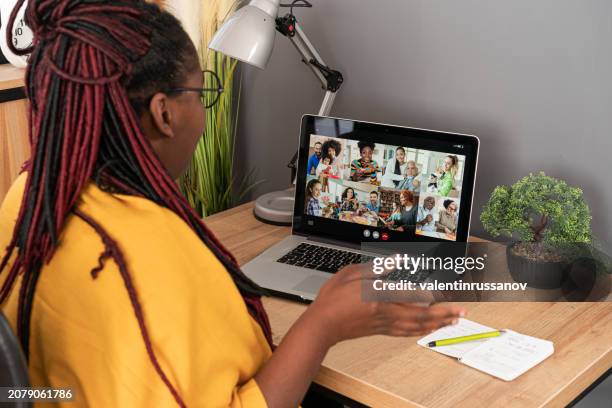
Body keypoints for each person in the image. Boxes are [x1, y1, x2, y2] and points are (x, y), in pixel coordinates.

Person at [0, 2, 464, 407]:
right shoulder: (150, 257)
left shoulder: (29, 195)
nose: (203, 112)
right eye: (200, 94)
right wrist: (323, 324)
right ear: (164, 113)